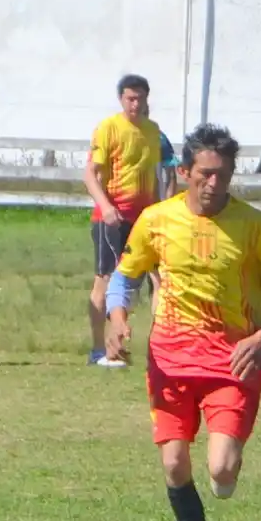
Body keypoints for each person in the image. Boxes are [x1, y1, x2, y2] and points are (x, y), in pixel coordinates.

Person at [104, 123, 261, 521]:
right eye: (207, 174)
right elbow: (124, 277)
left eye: (225, 175)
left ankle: (226, 470)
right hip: (170, 361)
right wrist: (117, 318)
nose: (215, 183)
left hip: (233, 362)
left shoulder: (253, 224)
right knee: (174, 464)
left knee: (220, 470)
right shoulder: (156, 220)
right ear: (186, 171)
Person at [84, 74, 168, 367]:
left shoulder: (153, 131)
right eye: (131, 98)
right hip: (112, 217)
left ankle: (134, 348)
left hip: (145, 219)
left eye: (141, 98)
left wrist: (160, 212)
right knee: (106, 280)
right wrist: (105, 206)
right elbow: (89, 174)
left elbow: (158, 176)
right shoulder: (108, 128)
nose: (136, 104)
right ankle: (98, 349)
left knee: (149, 281)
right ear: (121, 99)